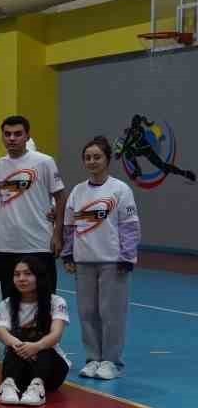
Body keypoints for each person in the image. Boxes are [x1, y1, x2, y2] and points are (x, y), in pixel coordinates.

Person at [64, 135, 140, 381]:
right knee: (87, 313)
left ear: (107, 159)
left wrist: (127, 257)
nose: (92, 161)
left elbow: (130, 226)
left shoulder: (120, 190)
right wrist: (68, 254)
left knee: (111, 313)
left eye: (97, 157)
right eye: (87, 157)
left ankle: (111, 361)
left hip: (112, 262)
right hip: (84, 261)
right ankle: (93, 359)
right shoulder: (77, 191)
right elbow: (69, 227)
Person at [0, 114, 66, 298]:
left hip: (39, 244)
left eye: (18, 134)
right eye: (7, 134)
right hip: (6, 246)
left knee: (44, 300)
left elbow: (60, 197)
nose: (12, 138)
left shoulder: (44, 162)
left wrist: (58, 234)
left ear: (27, 136)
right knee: (10, 302)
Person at [0, 255, 70, 406]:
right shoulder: (7, 303)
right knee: (15, 341)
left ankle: (37, 386)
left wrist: (36, 346)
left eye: (28, 274)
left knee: (39, 337)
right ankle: (9, 384)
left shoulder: (56, 302)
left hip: (52, 370)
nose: (21, 279)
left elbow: (56, 334)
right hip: (21, 368)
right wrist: (20, 346)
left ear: (39, 277)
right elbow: (1, 331)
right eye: (17, 274)